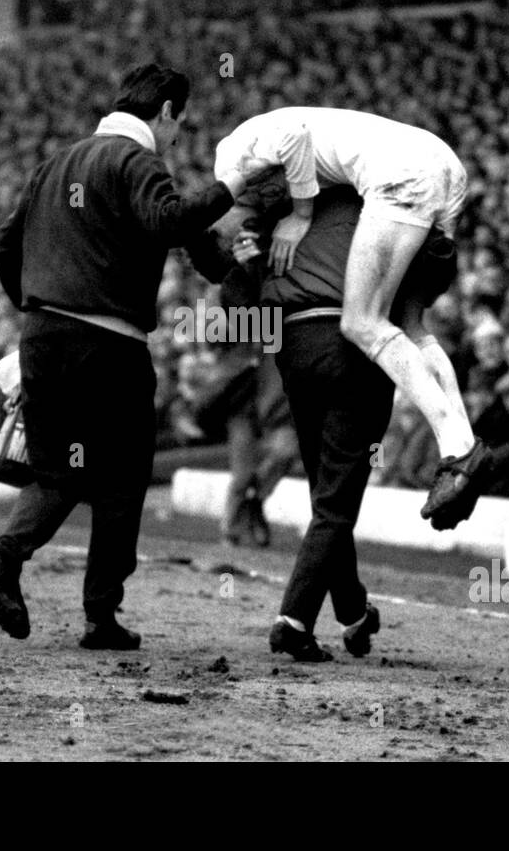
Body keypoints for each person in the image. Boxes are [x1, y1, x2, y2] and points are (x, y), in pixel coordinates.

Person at [0, 64, 267, 651]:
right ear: (163, 112)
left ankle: (6, 553)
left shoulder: (56, 164)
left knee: (58, 469)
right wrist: (232, 190)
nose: (176, 135)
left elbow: (2, 246)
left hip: (44, 338)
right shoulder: (136, 162)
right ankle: (100, 617)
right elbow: (167, 220)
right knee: (121, 481)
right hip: (108, 347)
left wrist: (38, 311)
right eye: (178, 124)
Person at [199, 181, 460, 661]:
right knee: (337, 500)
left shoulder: (283, 216)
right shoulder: (387, 204)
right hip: (357, 349)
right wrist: (441, 229)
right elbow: (438, 265)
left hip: (294, 352)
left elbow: (239, 317)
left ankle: (354, 613)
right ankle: (292, 621)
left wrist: (245, 263)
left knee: (328, 496)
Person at [214, 107, 488, 531]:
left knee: (362, 322)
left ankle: (457, 448)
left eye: (228, 238)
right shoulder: (260, 197)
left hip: (402, 173)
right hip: (443, 167)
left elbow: (295, 134)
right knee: (411, 328)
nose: (242, 235)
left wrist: (301, 215)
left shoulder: (229, 161)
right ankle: (464, 446)